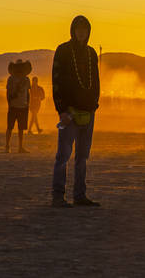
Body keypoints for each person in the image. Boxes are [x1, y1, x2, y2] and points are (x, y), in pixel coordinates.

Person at [51, 15, 101, 207]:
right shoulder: (63, 51)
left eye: (85, 29)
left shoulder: (91, 54)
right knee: (63, 155)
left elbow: (96, 81)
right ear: (73, 30)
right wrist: (61, 110)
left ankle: (79, 195)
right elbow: (56, 82)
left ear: (88, 32)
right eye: (78, 29)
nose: (82, 32)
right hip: (68, 113)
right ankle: (58, 195)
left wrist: (94, 105)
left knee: (82, 156)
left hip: (88, 113)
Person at [5, 60, 31, 154]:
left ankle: (20, 147)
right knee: (10, 127)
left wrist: (28, 103)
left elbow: (27, 93)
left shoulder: (27, 79)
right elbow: (8, 92)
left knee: (21, 128)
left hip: (23, 106)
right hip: (13, 106)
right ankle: (7, 146)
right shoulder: (11, 79)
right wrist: (9, 103)